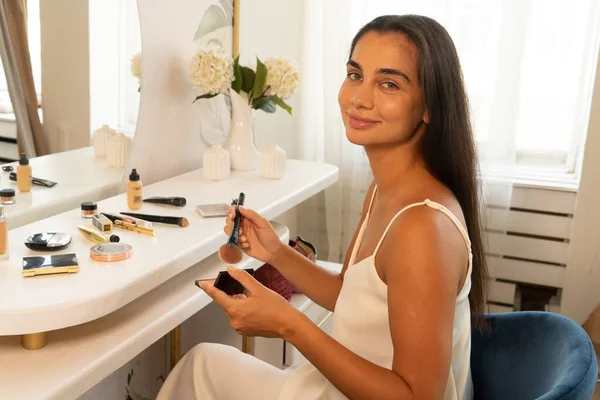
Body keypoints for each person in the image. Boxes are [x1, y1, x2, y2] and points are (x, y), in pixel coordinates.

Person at [157, 14, 487, 400]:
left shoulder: (423, 227)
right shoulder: (385, 191)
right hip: (334, 390)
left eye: (389, 84)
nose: (360, 98)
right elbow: (353, 296)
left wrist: (289, 325)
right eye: (355, 74)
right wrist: (276, 253)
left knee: (200, 370)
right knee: (203, 364)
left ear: (429, 106)